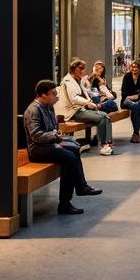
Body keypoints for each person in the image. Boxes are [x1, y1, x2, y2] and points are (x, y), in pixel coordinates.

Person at [23, 79, 102, 215]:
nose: (57, 97)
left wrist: (57, 136)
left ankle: (81, 186)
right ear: (43, 95)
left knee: (74, 148)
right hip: (38, 149)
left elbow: (54, 128)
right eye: (54, 94)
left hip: (49, 144)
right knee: (69, 157)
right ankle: (65, 203)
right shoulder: (34, 110)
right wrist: (55, 136)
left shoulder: (48, 106)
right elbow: (36, 135)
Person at [60, 58, 116, 155]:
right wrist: (87, 103)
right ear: (77, 69)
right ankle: (103, 145)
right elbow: (74, 98)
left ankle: (108, 144)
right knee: (102, 118)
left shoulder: (76, 80)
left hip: (79, 109)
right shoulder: (68, 81)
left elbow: (84, 92)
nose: (84, 72)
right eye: (83, 69)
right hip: (73, 112)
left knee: (105, 116)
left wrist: (89, 102)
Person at [120, 59, 140, 143]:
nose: (134, 69)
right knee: (134, 105)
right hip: (127, 101)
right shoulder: (127, 77)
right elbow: (124, 94)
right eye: (132, 67)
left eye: (136, 67)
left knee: (136, 105)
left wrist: (137, 97)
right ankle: (136, 134)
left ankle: (136, 134)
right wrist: (131, 97)